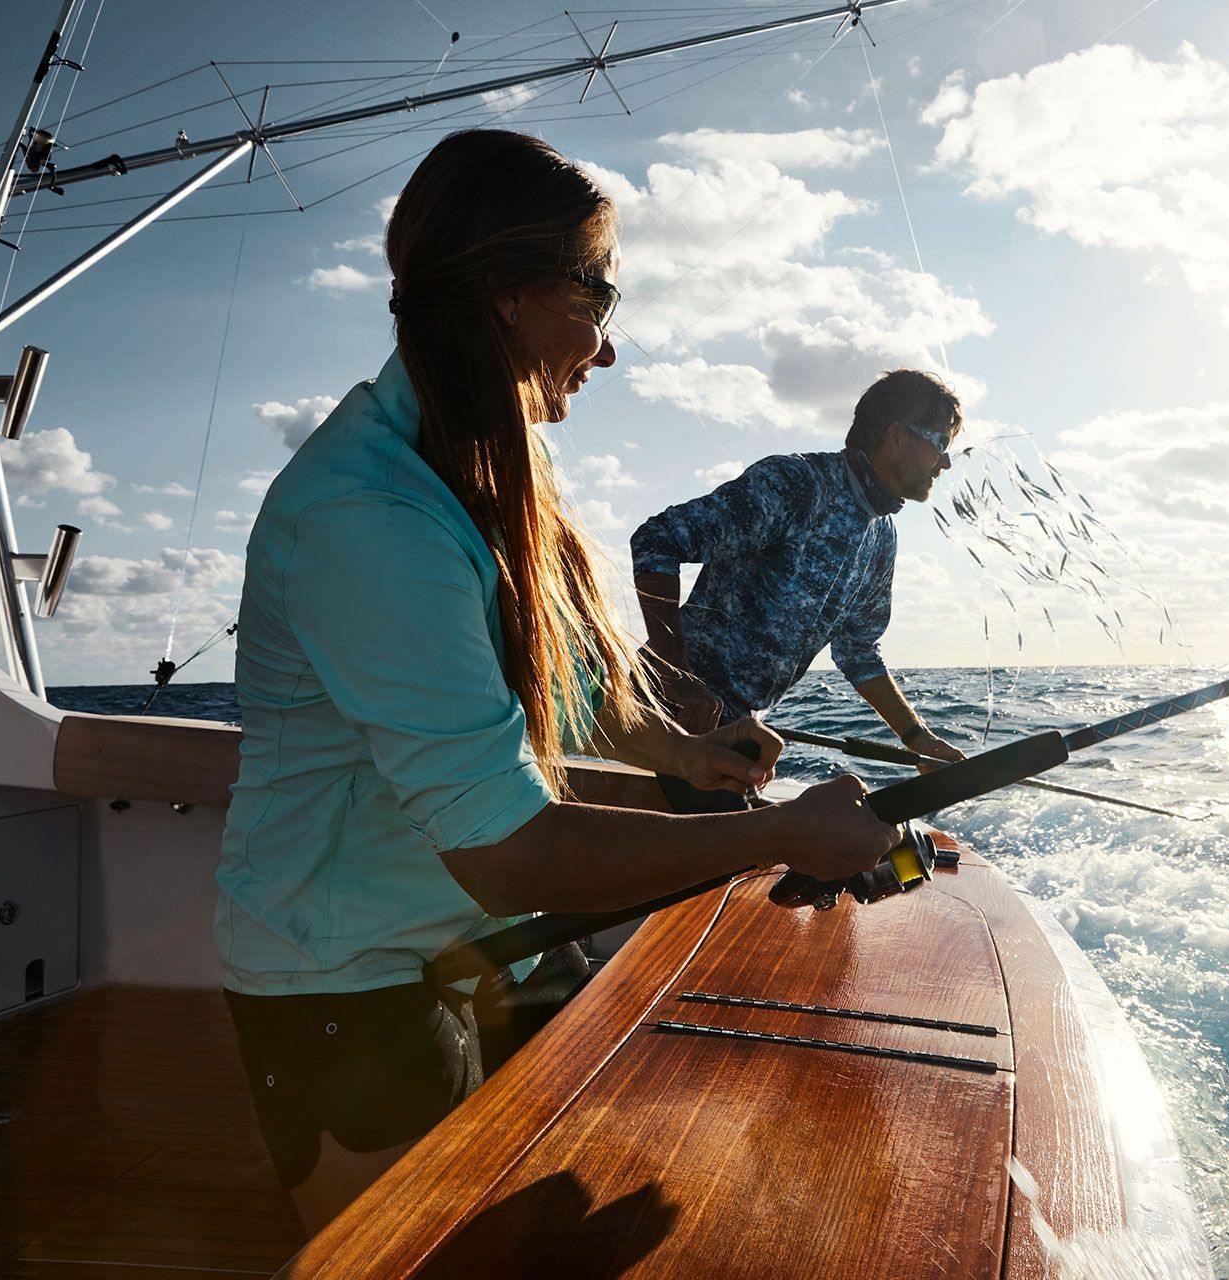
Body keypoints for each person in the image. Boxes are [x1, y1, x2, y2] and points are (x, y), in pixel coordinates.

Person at [214, 129, 899, 1237]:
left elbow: (568, 681)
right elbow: (508, 852)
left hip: (489, 942)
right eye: (598, 295)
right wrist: (777, 836)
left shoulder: (479, 458)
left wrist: (689, 749)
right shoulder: (370, 514)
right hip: (346, 979)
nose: (606, 347)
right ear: (505, 295)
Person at [630, 371, 967, 767]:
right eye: (940, 443)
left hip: (735, 734)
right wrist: (677, 678)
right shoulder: (798, 484)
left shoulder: (882, 537)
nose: (945, 462)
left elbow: (858, 651)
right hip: (656, 716)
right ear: (896, 437)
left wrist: (917, 737)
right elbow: (657, 539)